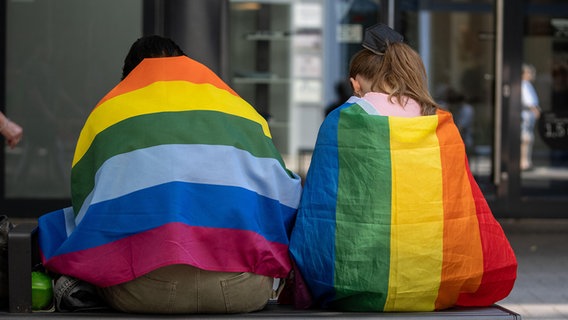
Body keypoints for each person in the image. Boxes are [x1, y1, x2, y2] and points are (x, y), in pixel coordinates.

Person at [37, 35, 302, 314]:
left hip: (146, 289)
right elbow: (283, 197)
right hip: (243, 288)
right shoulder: (242, 112)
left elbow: (86, 210)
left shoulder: (109, 113)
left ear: (129, 77)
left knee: (59, 228)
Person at [288, 24, 517, 312]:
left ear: (356, 84)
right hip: (439, 282)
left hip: (354, 284)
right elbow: (462, 204)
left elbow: (321, 205)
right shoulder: (441, 125)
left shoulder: (342, 122)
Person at [521, 63, 541, 171]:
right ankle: (524, 162)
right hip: (525, 115)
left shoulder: (527, 84)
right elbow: (530, 102)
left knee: (527, 139)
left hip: (529, 116)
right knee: (526, 139)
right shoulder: (523, 84)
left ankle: (526, 161)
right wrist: (535, 110)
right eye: (529, 72)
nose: (532, 75)